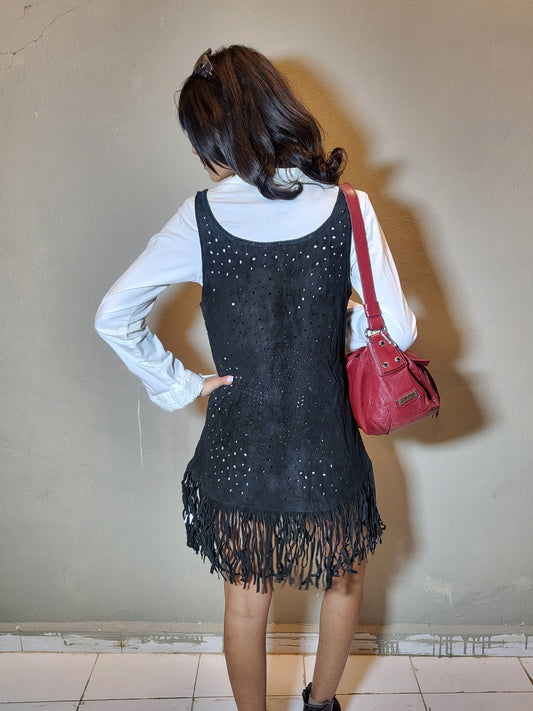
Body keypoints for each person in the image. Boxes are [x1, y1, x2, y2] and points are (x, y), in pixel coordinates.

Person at [95, 45, 417, 711]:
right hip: (325, 438)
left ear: (213, 137)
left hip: (240, 442)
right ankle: (321, 704)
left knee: (246, 603)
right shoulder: (349, 207)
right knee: (344, 581)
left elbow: (113, 316)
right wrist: (338, 332)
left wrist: (183, 384)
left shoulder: (200, 216)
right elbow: (400, 331)